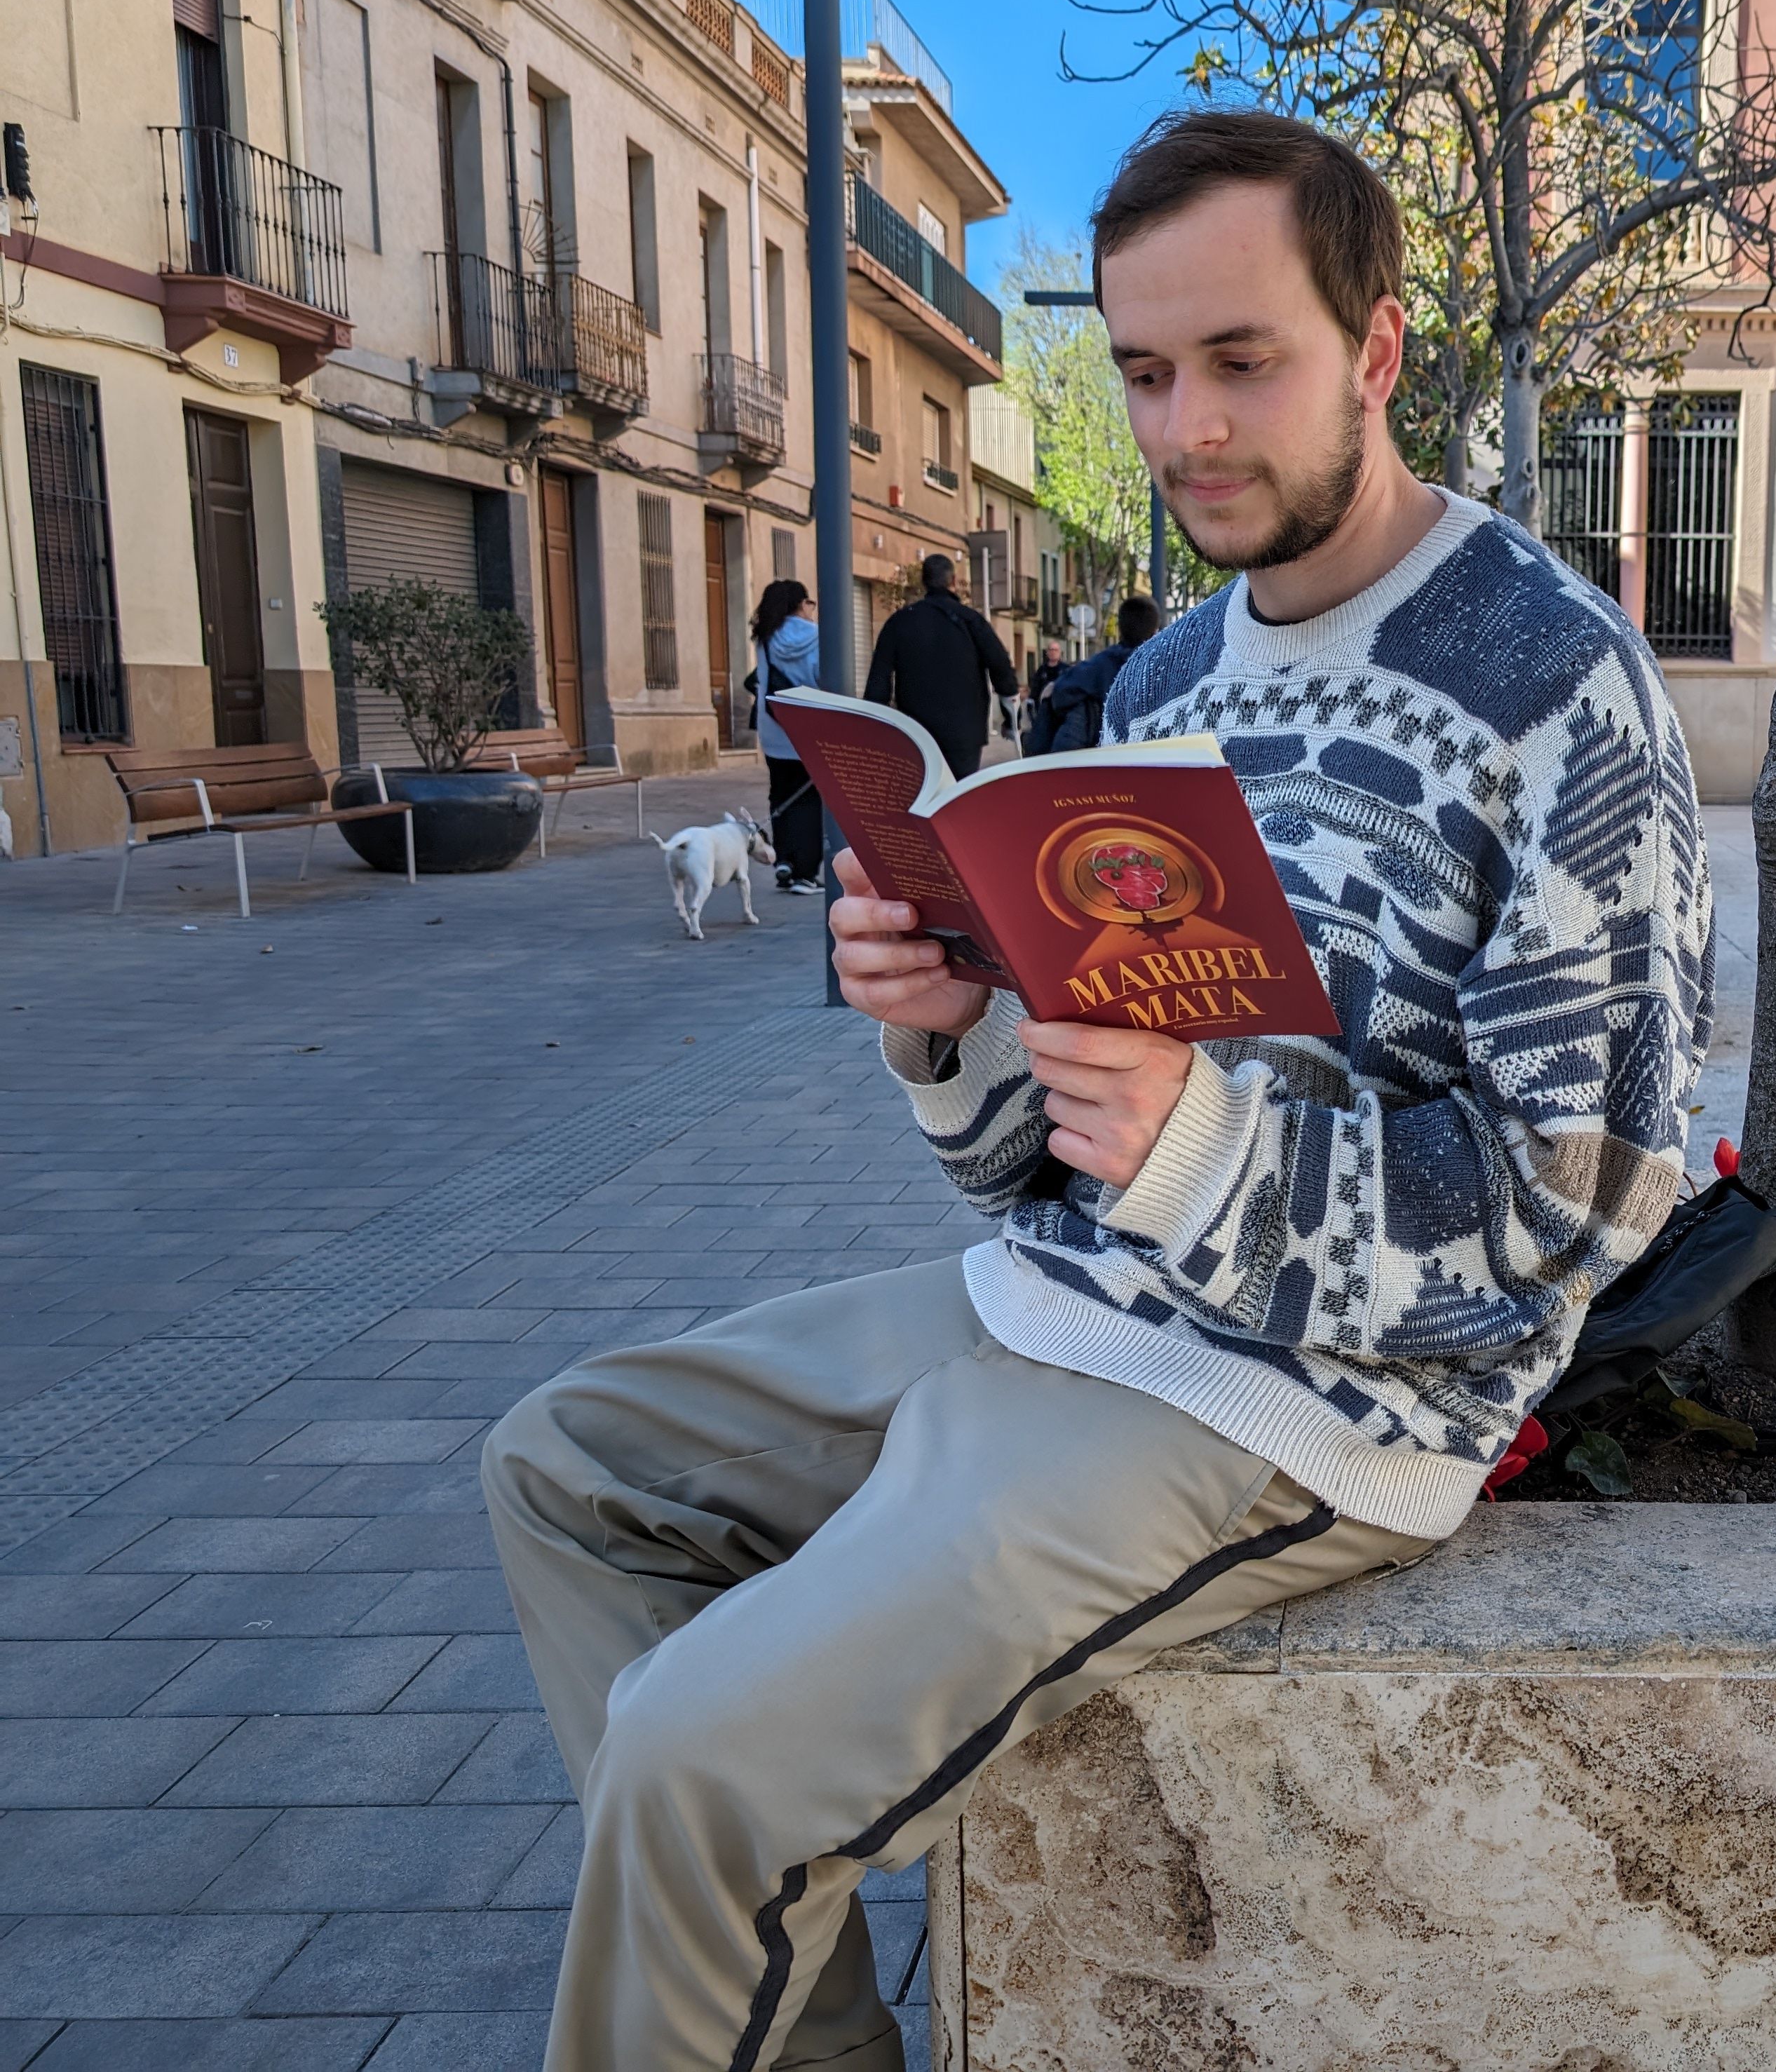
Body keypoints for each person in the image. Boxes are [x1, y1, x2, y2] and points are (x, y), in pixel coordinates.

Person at [483, 109, 1711, 2072]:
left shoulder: (1556, 684)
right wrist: (941, 1022)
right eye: (1146, 372)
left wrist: (1211, 1147)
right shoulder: (1161, 689)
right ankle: (760, 2005)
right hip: (1069, 1310)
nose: (1186, 427)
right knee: (566, 1465)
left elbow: (1585, 1205)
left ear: (1378, 353)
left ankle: (706, 1906)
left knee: (692, 1761)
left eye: (1245, 362)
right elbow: (1039, 1172)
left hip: (1309, 1401)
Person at [862, 553, 1018, 778]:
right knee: (958, 798)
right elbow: (1001, 668)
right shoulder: (970, 620)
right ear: (953, 581)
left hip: (916, 732)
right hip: (965, 733)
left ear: (923, 582)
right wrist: (1009, 718)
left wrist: (875, 730)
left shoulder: (899, 622)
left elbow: (879, 681)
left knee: (922, 798)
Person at [749, 578, 823, 893]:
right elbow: (822, 679)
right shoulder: (818, 637)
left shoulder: (765, 638)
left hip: (775, 732)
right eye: (809, 603)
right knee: (810, 799)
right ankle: (805, 872)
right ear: (799, 604)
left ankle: (785, 862)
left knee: (780, 795)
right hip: (809, 729)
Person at [1032, 594, 1155, 752]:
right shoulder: (1164, 668)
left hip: (1096, 759)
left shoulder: (1099, 665)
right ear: (1155, 631)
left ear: (1120, 628)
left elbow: (1061, 694)